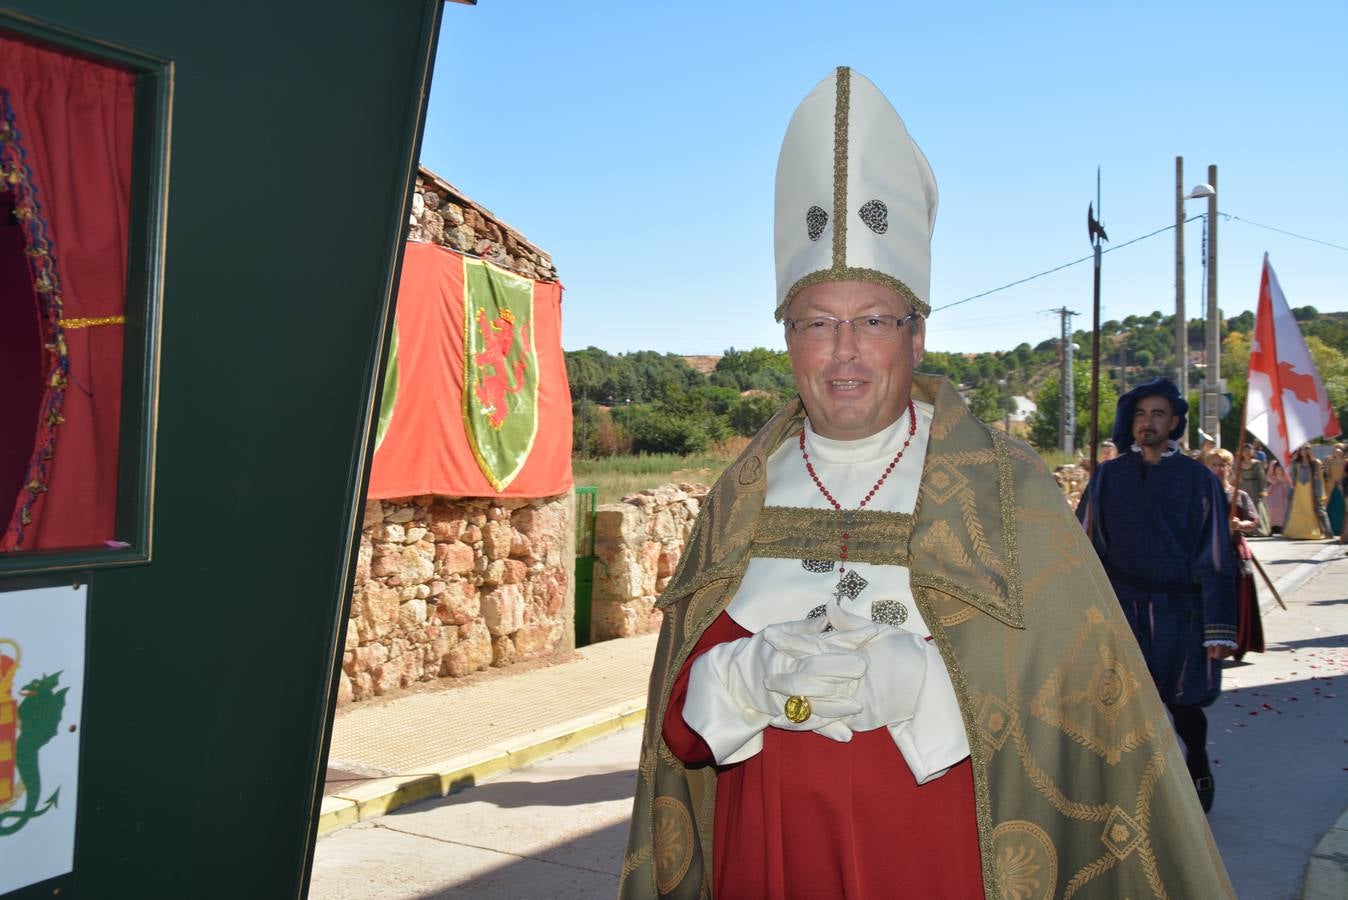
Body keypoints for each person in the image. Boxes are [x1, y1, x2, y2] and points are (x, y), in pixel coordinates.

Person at [621, 67, 1233, 899]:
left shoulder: (1004, 491)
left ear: (915, 336)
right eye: (815, 324)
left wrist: (927, 687)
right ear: (787, 341)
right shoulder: (740, 493)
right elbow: (677, 741)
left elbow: (1080, 711)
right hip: (763, 858)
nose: (843, 353)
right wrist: (738, 678)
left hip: (941, 858)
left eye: (872, 320)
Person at [1076, 377, 1237, 816]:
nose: (1148, 422)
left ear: (1175, 423)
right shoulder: (1108, 477)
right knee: (1122, 703)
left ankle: (1197, 762)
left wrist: (1218, 628)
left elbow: (1217, 555)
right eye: (1141, 414)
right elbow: (1080, 544)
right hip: (1121, 609)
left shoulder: (1198, 480)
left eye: (1158, 414)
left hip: (1180, 611)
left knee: (1182, 701)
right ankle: (1133, 790)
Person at [1204, 448, 1264, 660]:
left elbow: (1254, 522)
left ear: (1230, 468)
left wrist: (1240, 524)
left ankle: (1238, 644)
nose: (1219, 469)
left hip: (1236, 553)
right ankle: (1213, 645)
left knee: (1239, 598)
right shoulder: (1201, 493)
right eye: (1214, 464)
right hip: (1209, 554)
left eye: (1223, 465)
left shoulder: (1239, 494)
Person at [1285, 445, 1331, 539]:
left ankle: (1327, 532)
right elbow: (1292, 478)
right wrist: (1290, 490)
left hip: (1311, 491)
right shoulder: (1295, 463)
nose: (1304, 451)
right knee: (1298, 510)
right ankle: (1298, 531)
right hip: (1299, 491)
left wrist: (1319, 493)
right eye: (1302, 449)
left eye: (1306, 449)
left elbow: (1319, 479)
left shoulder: (1315, 463)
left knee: (1316, 510)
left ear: (1309, 450)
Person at [1237, 441, 1272, 537]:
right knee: (1245, 508)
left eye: (1249, 451)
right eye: (1245, 451)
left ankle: (1258, 529)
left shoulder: (1257, 464)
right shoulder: (1239, 464)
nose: (1247, 453)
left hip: (1254, 488)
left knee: (1256, 508)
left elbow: (1262, 478)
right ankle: (1246, 530)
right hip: (1244, 488)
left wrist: (1263, 490)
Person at [1266, 458, 1292, 535]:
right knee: (1271, 507)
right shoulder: (1273, 463)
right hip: (1274, 489)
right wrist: (1275, 481)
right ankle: (1272, 526)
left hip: (1283, 490)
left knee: (1283, 508)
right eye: (1277, 469)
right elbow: (1268, 477)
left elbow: (1290, 480)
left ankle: (1282, 526)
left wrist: (1284, 481)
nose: (1278, 470)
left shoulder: (1287, 464)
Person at [1326, 444, 1346, 536]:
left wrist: (1341, 481)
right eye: (1335, 449)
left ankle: (1342, 530)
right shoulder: (1329, 461)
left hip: (1342, 486)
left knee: (1342, 507)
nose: (1337, 451)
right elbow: (1327, 474)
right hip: (1331, 486)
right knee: (1331, 507)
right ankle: (1331, 530)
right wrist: (1333, 480)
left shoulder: (1346, 461)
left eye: (1339, 449)